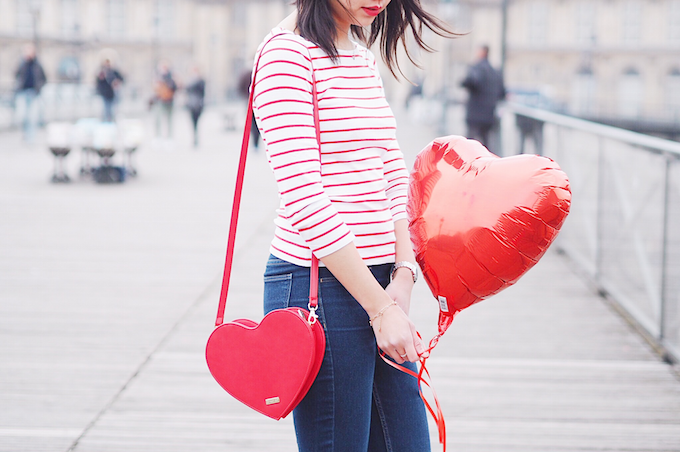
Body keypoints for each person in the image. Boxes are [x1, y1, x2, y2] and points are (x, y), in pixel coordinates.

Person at [251, 1, 454, 450]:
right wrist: (380, 309)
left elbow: (391, 169)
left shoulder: (359, 56)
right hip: (319, 286)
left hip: (379, 284)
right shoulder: (285, 56)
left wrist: (403, 272)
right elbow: (304, 197)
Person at [461, 45, 506, 153]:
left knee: (469, 146)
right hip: (489, 115)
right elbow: (502, 93)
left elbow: (470, 82)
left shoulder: (475, 68)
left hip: (474, 115)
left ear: (481, 52)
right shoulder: (495, 71)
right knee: (486, 145)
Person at [14, 44, 46, 143]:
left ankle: (31, 138)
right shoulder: (22, 63)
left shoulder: (37, 64)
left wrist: (38, 88)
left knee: (32, 117)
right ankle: (25, 134)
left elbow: (44, 78)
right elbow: (16, 74)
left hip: (33, 93)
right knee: (22, 116)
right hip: (22, 92)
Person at [153, 62, 177, 138]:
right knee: (158, 118)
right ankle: (158, 136)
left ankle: (169, 136)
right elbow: (155, 88)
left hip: (169, 100)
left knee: (169, 119)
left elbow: (175, 87)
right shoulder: (158, 77)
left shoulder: (171, 77)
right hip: (160, 100)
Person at [238, 69, 260, 151]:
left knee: (252, 123)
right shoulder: (258, 73)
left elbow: (240, 87)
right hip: (257, 100)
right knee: (257, 123)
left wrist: (245, 96)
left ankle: (255, 143)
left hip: (249, 100)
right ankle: (256, 142)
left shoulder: (246, 74)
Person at [185, 65, 205, 147]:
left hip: (198, 104)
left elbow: (202, 92)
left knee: (196, 121)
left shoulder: (200, 81)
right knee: (192, 121)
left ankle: (196, 136)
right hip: (191, 104)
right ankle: (194, 136)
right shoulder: (190, 81)